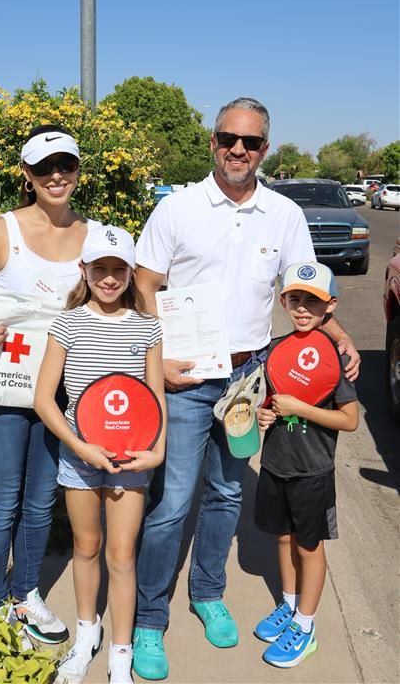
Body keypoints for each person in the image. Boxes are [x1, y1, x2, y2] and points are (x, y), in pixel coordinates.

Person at [132, 96, 360, 680]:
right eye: (229, 139)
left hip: (246, 380)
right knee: (173, 502)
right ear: (213, 142)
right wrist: (158, 360)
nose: (239, 150)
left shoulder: (283, 214)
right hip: (184, 378)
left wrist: (340, 338)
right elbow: (145, 284)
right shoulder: (178, 209)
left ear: (266, 148)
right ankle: (149, 619)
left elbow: (301, 290)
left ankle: (208, 593)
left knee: (227, 496)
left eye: (252, 142)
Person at [0, 124, 100, 642]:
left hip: (58, 396)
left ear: (79, 168)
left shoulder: (94, 236)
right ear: (26, 175)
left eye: (65, 165)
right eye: (43, 168)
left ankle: (26, 594)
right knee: (1, 501)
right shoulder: (0, 232)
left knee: (40, 503)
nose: (55, 176)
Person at [34, 225, 166, 684]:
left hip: (132, 458)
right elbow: (45, 399)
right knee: (86, 546)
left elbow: (155, 394)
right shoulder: (66, 324)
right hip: (79, 456)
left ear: (131, 273)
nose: (109, 278)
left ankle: (121, 652)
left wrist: (158, 449)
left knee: (122, 554)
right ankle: (86, 633)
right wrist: (78, 446)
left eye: (118, 270)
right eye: (100, 269)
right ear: (84, 270)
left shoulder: (148, 326)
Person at [254, 261, 358, 668]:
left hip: (312, 470)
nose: (302, 309)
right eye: (295, 299)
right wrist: (265, 415)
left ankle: (307, 625)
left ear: (329, 306)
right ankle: (290, 604)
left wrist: (302, 409)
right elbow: (271, 400)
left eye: (312, 302)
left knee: (308, 546)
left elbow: (349, 420)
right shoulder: (277, 349)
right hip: (276, 462)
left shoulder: (335, 357)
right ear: (283, 301)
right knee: (282, 538)